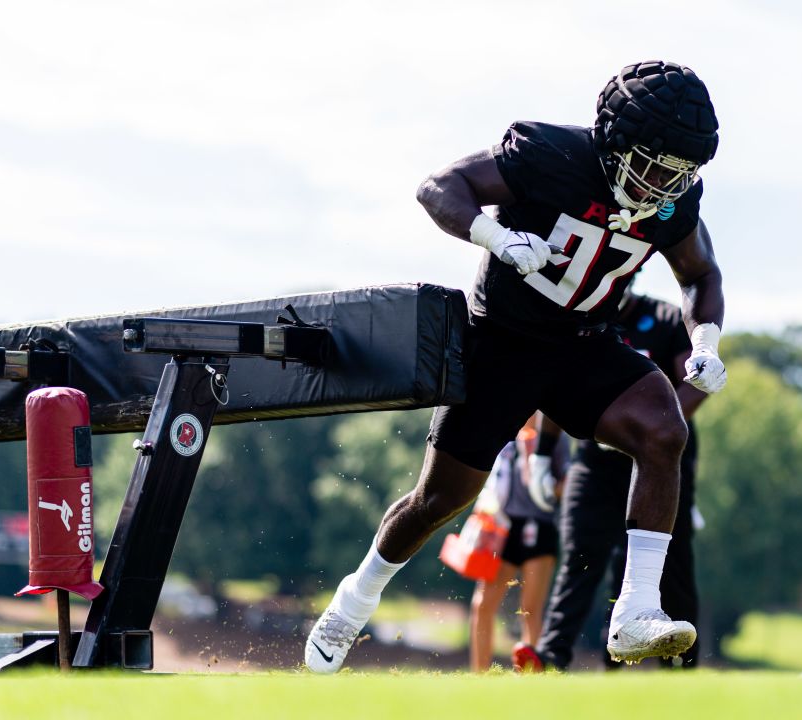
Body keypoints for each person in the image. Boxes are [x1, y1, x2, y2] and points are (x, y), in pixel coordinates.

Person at [305, 60, 728, 673]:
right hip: (501, 342)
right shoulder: (550, 153)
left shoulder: (670, 199)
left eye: (678, 174)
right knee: (440, 499)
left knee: (664, 429)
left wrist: (706, 341)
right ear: (614, 143)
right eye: (654, 166)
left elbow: (700, 273)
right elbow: (439, 185)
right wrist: (494, 237)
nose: (662, 188)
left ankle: (636, 610)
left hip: (583, 344)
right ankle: (355, 598)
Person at [514, 287, 708, 672]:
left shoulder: (667, 320)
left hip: (658, 461)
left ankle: (683, 665)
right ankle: (552, 656)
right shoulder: (581, 317)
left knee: (673, 564)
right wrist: (541, 454)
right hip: (596, 459)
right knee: (581, 557)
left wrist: (654, 428)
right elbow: (558, 385)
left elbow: (695, 384)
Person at [467, 418, 566, 672]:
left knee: (530, 609)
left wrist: (544, 486)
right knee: (482, 604)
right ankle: (480, 675)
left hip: (539, 527)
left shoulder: (552, 438)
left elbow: (565, 483)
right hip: (503, 529)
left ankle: (530, 672)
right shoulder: (505, 436)